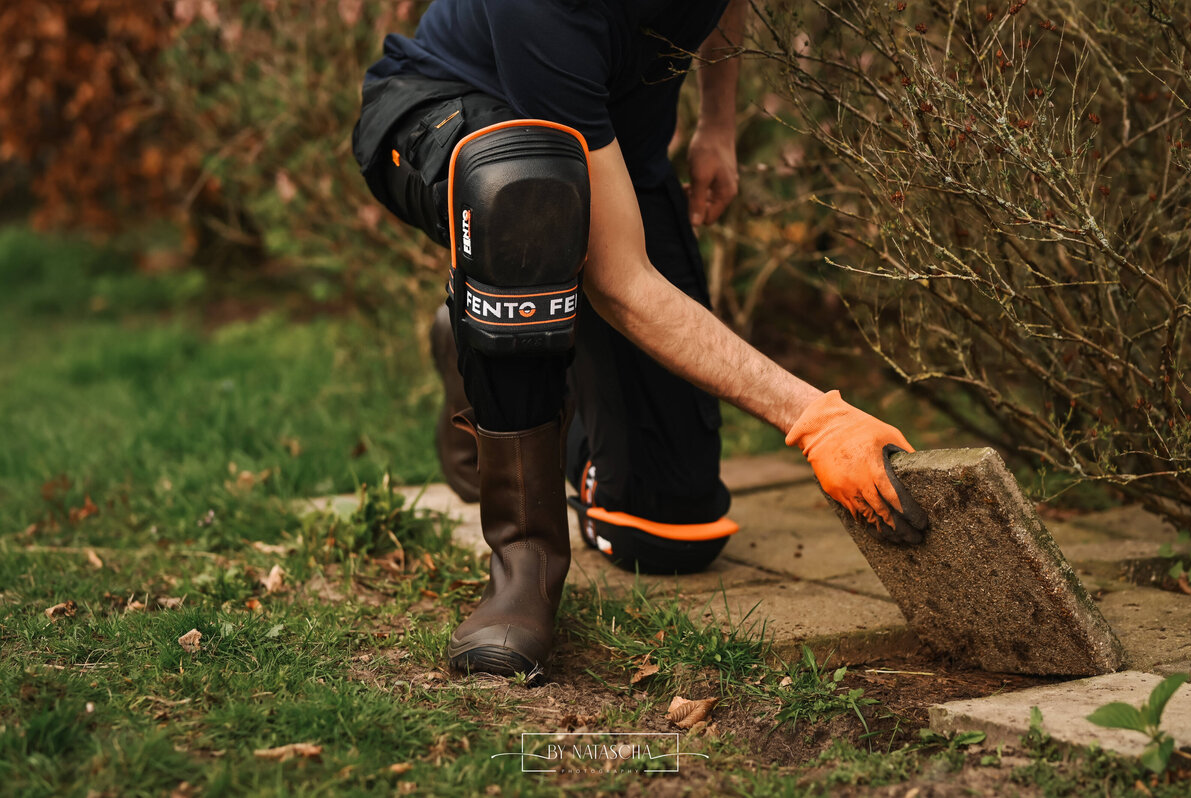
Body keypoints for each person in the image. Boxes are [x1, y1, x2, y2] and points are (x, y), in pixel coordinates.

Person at [353, 0, 927, 678]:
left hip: (609, 148)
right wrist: (816, 420)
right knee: (524, 191)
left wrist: (717, 126)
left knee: (666, 529)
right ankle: (524, 563)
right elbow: (623, 282)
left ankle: (484, 340)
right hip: (446, 113)